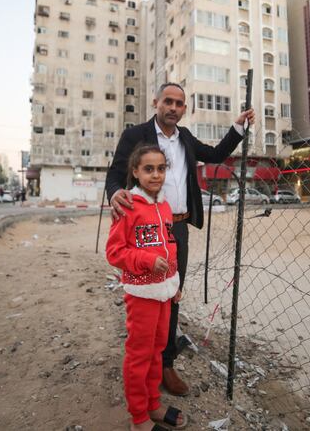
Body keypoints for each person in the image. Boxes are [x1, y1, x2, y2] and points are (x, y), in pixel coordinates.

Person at [106, 82, 255, 396]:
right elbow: (116, 173)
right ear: (156, 102)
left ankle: (165, 365)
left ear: (184, 109)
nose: (173, 108)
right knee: (145, 295)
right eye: (168, 101)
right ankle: (141, 360)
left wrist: (237, 129)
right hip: (146, 228)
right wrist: (115, 193)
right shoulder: (135, 135)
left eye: (180, 104)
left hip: (178, 229)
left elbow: (214, 155)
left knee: (171, 295)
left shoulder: (185, 137)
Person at [106, 145, 188, 431]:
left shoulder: (165, 206)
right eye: (149, 169)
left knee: (158, 349)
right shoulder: (127, 206)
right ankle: (138, 417)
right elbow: (115, 253)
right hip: (141, 295)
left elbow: (171, 247)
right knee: (139, 354)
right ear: (136, 172)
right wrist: (147, 260)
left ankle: (153, 404)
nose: (156, 175)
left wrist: (173, 283)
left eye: (161, 168)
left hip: (164, 293)